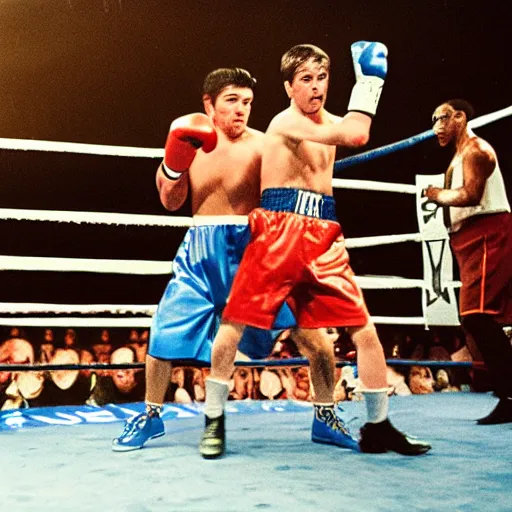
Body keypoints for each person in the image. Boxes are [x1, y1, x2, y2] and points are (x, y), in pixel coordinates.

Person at [200, 43, 432, 459]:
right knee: (234, 326)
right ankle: (214, 418)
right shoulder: (285, 122)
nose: (316, 87)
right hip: (278, 232)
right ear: (289, 86)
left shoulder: (329, 122)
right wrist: (372, 81)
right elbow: (358, 133)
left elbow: (348, 134)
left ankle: (377, 425)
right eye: (306, 79)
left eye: (322, 77)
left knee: (365, 331)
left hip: (323, 232)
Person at [112, 67, 299, 451]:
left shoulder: (264, 145)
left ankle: (326, 414)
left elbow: (288, 198)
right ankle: (150, 416)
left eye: (247, 102)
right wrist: (174, 164)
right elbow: (171, 202)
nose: (241, 110)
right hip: (200, 245)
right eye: (231, 101)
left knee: (306, 330)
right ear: (208, 104)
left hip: (251, 244)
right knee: (163, 330)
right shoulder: (190, 141)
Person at [424, 99, 512, 424]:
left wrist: (436, 194)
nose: (436, 127)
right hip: (467, 239)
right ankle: (505, 391)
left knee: (476, 316)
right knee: (479, 319)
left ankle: (509, 393)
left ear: (460, 117)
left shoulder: (477, 150)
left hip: (486, 232)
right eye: (433, 121)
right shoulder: (456, 159)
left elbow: (471, 195)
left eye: (442, 119)